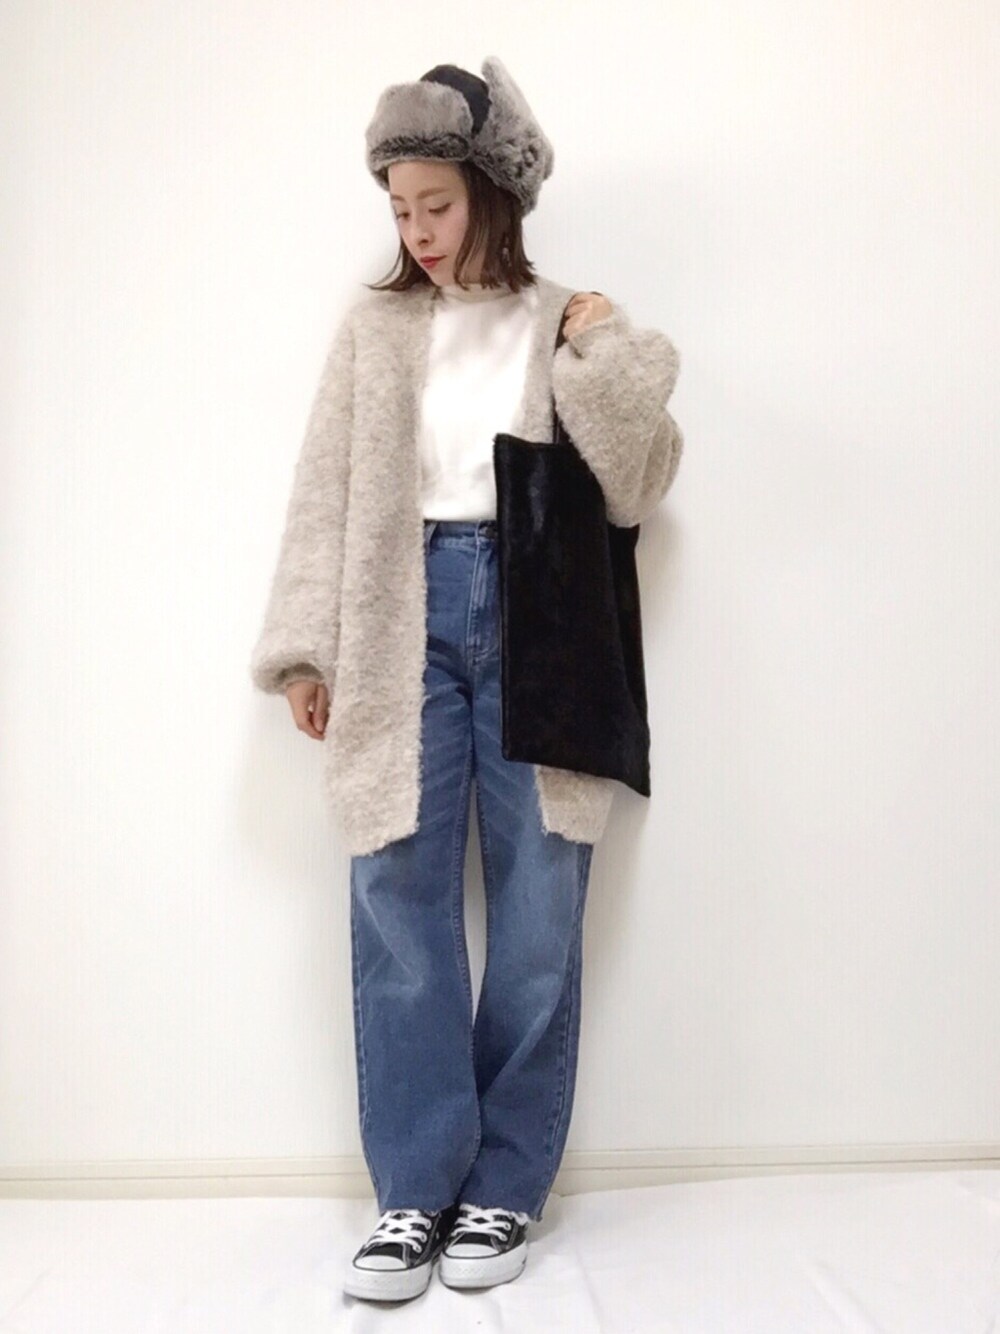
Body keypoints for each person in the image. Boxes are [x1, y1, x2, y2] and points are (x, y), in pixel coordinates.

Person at [249, 56, 684, 1304]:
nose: (417, 231)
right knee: (397, 893)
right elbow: (324, 487)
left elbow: (638, 485)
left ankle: (504, 1185)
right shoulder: (376, 329)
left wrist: (606, 350)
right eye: (399, 208)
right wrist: (307, 646)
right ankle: (414, 1191)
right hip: (402, 615)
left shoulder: (562, 321)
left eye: (435, 203)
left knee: (540, 907)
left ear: (494, 190)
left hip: (543, 619)